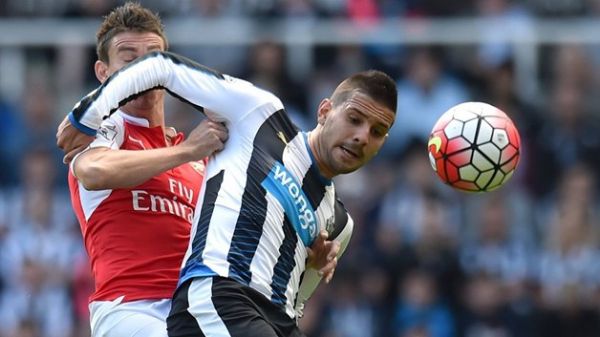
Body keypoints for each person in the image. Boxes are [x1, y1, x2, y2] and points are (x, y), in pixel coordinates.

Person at [63, 50, 397, 337]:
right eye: (354, 119)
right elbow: (160, 67)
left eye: (377, 132)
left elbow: (297, 302)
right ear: (325, 111)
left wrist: (309, 260)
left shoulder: (339, 223)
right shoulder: (260, 115)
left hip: (275, 322)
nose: (361, 136)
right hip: (220, 297)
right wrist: (87, 115)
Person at [57, 3, 228, 337]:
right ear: (103, 73)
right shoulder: (106, 131)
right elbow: (94, 172)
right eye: (129, 58)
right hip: (130, 309)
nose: (145, 70)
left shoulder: (200, 158)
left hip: (196, 308)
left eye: (153, 57)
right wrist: (187, 151)